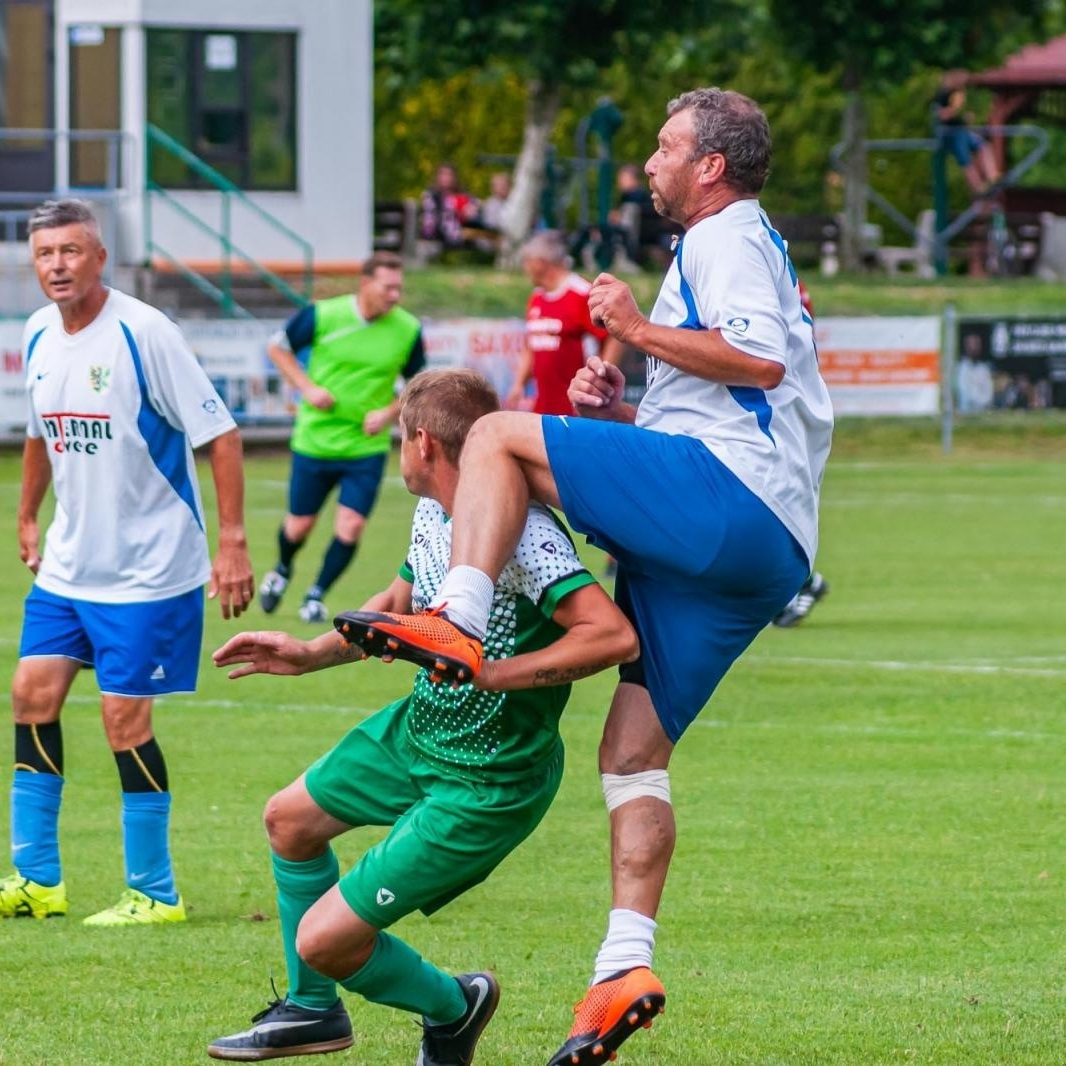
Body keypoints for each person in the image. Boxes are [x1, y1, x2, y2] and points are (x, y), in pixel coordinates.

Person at [335, 88, 834, 1065]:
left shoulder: (725, 233)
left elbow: (759, 364)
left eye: (665, 146)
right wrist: (621, 412)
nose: (649, 162)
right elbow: (733, 402)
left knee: (494, 435)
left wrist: (635, 331)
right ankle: (622, 968)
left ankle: (456, 615)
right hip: (761, 544)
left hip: (729, 500)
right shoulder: (741, 243)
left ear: (712, 167)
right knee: (631, 754)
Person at [206, 368, 638, 1063]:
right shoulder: (435, 512)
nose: (397, 452)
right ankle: (313, 1010)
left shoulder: (525, 532)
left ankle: (455, 1007)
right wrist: (309, 653)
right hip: (418, 732)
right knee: (289, 820)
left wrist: (489, 672)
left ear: (424, 444)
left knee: (324, 940)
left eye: (400, 439)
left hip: (488, 780)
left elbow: (611, 636)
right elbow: (399, 603)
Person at [0, 199, 254, 927]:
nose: (57, 265)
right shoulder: (36, 333)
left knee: (123, 718)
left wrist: (233, 541)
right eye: (44, 254)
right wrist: (28, 515)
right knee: (31, 694)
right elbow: (38, 436)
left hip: (150, 569)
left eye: (70, 251)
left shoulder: (145, 333)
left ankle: (155, 892)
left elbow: (220, 435)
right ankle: (37, 882)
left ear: (98, 257)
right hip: (68, 564)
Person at [258, 252, 426, 623]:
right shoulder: (323, 315)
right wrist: (306, 387)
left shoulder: (408, 329)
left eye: (399, 288)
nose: (395, 295)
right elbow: (277, 348)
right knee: (299, 525)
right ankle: (282, 570)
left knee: (351, 526)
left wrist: (388, 413)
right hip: (315, 441)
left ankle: (316, 594)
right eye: (388, 287)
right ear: (365, 283)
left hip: (365, 447)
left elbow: (417, 384)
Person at [505, 232, 624, 416]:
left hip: (576, 409)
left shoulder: (581, 293)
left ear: (541, 262)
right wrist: (519, 383)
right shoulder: (536, 297)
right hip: (543, 407)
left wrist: (600, 379)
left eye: (527, 261)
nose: (525, 268)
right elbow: (532, 345)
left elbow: (614, 337)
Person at [934, 71, 999, 195]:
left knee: (984, 146)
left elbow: (956, 116)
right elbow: (942, 116)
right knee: (966, 160)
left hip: (962, 130)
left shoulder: (960, 93)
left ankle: (992, 177)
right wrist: (955, 109)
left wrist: (965, 119)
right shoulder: (943, 95)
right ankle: (978, 187)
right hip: (952, 133)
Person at [418, 164, 476, 249]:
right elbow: (427, 219)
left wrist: (471, 210)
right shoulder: (430, 196)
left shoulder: (462, 197)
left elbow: (474, 208)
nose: (446, 178)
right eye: (443, 174)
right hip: (432, 238)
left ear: (454, 178)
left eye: (449, 175)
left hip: (457, 240)